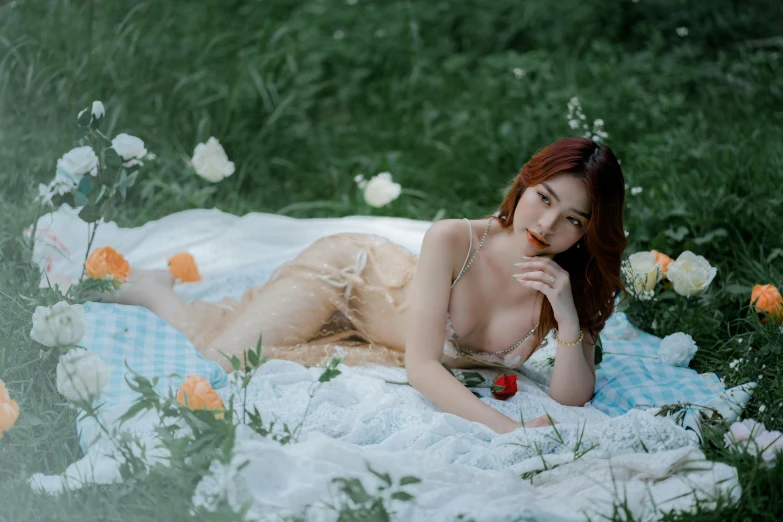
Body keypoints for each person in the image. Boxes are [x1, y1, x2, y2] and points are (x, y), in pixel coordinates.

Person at [96, 137, 628, 434]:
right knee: (228, 357)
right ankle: (155, 289)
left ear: (589, 231)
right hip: (348, 277)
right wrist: (506, 429)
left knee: (245, 344)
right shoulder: (454, 240)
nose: (547, 224)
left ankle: (192, 297)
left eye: (574, 220)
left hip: (387, 326)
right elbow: (422, 367)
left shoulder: (563, 281)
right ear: (526, 182)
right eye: (545, 197)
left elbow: (571, 396)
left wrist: (566, 311)